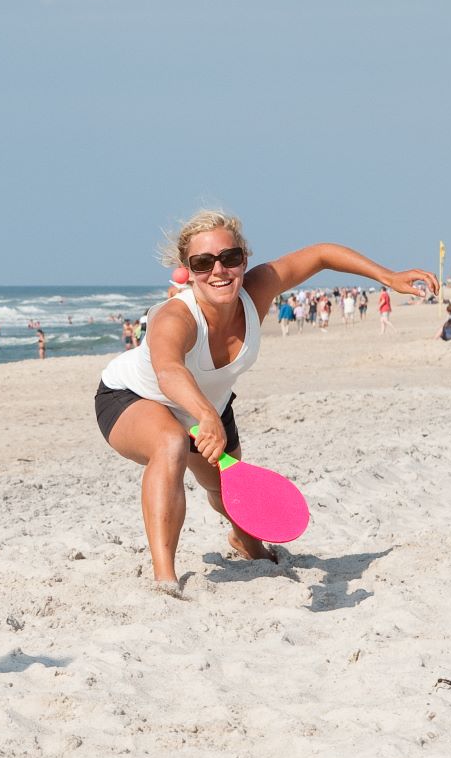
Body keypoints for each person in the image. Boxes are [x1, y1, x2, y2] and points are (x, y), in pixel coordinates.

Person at [94, 209, 433, 593]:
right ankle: (165, 579)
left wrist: (387, 277)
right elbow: (169, 370)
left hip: (210, 408)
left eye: (230, 257)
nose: (219, 270)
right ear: (187, 271)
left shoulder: (256, 291)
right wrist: (205, 414)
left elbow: (321, 255)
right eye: (203, 263)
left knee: (228, 491)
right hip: (133, 397)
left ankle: (246, 543)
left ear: (244, 258)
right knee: (170, 442)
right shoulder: (176, 317)